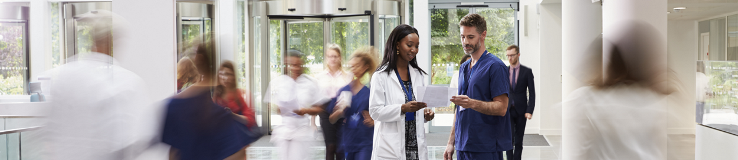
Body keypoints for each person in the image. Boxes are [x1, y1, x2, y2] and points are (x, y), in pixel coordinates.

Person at [43, 10, 156, 160]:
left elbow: (50, 134)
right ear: (111, 40)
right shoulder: (127, 83)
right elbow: (137, 141)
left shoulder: (64, 76)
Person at [162, 41, 256, 160]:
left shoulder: (174, 106)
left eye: (228, 74)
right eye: (222, 74)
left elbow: (173, 152)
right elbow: (236, 154)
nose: (224, 77)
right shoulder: (217, 108)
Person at [444, 13, 512, 160]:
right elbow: (459, 108)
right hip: (463, 145)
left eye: (470, 37)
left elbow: (502, 108)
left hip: (485, 147)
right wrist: (451, 142)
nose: (465, 42)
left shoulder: (495, 66)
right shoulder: (463, 67)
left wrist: (472, 103)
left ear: (483, 35)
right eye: (462, 37)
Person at [369, 24, 435, 160]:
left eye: (416, 46)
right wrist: (402, 108)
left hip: (415, 146)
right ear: (397, 45)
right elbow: (375, 111)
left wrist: (426, 114)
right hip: (390, 148)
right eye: (409, 45)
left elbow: (420, 106)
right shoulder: (380, 76)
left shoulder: (418, 74)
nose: (414, 50)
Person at [264, 50, 326, 160]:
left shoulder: (310, 83)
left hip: (301, 131)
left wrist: (306, 110)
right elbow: (271, 105)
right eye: (292, 65)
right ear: (287, 65)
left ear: (302, 65)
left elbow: (320, 107)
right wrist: (278, 108)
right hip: (284, 130)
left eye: (298, 65)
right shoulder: (278, 82)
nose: (296, 68)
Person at [327, 47, 379, 160]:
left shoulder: (370, 93)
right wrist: (339, 112)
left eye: (358, 66)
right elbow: (331, 119)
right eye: (352, 66)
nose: (354, 69)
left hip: (365, 142)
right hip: (348, 142)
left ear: (366, 67)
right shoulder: (344, 91)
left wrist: (374, 121)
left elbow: (381, 115)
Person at [315, 44, 353, 160]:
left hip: (342, 112)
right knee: (330, 146)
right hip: (326, 113)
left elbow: (350, 96)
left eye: (335, 56)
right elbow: (316, 100)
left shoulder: (348, 76)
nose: (333, 59)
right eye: (330, 56)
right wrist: (312, 122)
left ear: (340, 57)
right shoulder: (319, 77)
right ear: (326, 58)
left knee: (340, 148)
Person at [504, 45, 536, 160]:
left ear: (518, 55)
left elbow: (532, 93)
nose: (510, 58)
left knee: (519, 140)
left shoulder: (527, 72)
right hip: (507, 110)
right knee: (509, 139)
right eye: (508, 55)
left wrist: (529, 110)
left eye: (512, 55)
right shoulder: (504, 71)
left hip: (521, 111)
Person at [214, 60, 257, 127]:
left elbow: (249, 120)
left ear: (233, 76)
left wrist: (232, 115)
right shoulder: (216, 96)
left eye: (228, 74)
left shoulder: (239, 94)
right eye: (221, 74)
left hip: (236, 134)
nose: (225, 78)